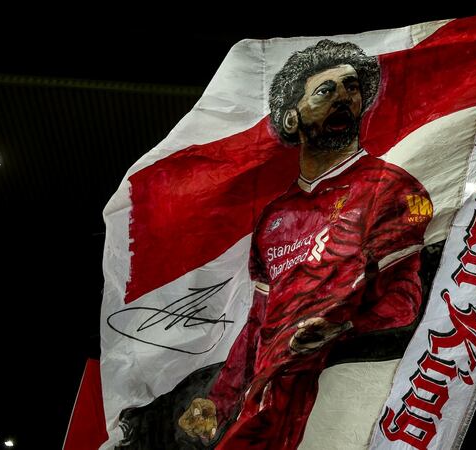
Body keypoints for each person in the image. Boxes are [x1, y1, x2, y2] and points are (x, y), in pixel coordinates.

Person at [174, 39, 434, 449]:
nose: (344, 97)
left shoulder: (391, 187)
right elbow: (258, 323)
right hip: (269, 398)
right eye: (326, 90)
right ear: (293, 119)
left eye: (351, 87)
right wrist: (219, 401)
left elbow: (403, 299)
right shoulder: (274, 218)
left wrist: (343, 327)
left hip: (342, 386)